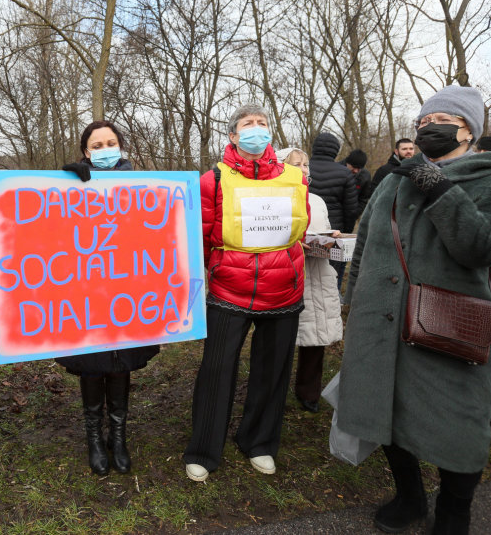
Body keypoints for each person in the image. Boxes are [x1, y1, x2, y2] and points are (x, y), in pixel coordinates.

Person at [337, 86, 491, 534]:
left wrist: (439, 188)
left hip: (449, 326)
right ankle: (410, 497)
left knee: (457, 425)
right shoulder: (395, 179)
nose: (428, 127)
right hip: (379, 320)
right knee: (383, 410)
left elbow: (490, 245)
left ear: (468, 129)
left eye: (441, 119)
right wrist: (352, 301)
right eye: (422, 121)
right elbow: (367, 243)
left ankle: (455, 510)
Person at [183, 104, 309, 482]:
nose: (257, 129)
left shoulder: (294, 177)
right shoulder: (213, 180)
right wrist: (208, 271)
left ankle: (260, 443)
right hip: (229, 290)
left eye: (262, 123)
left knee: (272, 372)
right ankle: (204, 450)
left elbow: (299, 231)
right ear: (233, 136)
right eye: (247, 125)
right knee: (217, 370)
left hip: (282, 291)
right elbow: (201, 236)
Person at [59, 121, 159, 475]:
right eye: (97, 144)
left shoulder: (142, 186)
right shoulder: (68, 186)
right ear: (86, 151)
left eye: (111, 142)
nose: (105, 148)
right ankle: (94, 438)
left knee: (120, 363)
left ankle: (118, 435)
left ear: (121, 147)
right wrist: (64, 182)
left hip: (128, 294)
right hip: (86, 297)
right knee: (92, 363)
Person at [279, 148, 343, 414]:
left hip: (319, 273)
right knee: (283, 338)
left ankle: (309, 392)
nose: (304, 169)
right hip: (288, 276)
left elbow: (321, 233)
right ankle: (275, 390)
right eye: (297, 164)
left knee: (317, 334)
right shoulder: (274, 198)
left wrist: (332, 237)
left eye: (306, 165)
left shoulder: (316, 200)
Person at [308, 132, 358, 286]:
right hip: (333, 234)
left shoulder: (300, 169)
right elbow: (350, 209)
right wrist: (345, 231)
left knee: (306, 273)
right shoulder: (344, 173)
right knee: (330, 275)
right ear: (336, 151)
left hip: (305, 230)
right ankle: (333, 302)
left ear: (314, 148)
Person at [342, 148, 372, 215]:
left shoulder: (365, 176)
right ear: (348, 163)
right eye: (354, 167)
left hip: (351, 216)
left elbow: (363, 199)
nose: (356, 171)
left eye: (359, 168)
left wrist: (355, 214)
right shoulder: (335, 169)